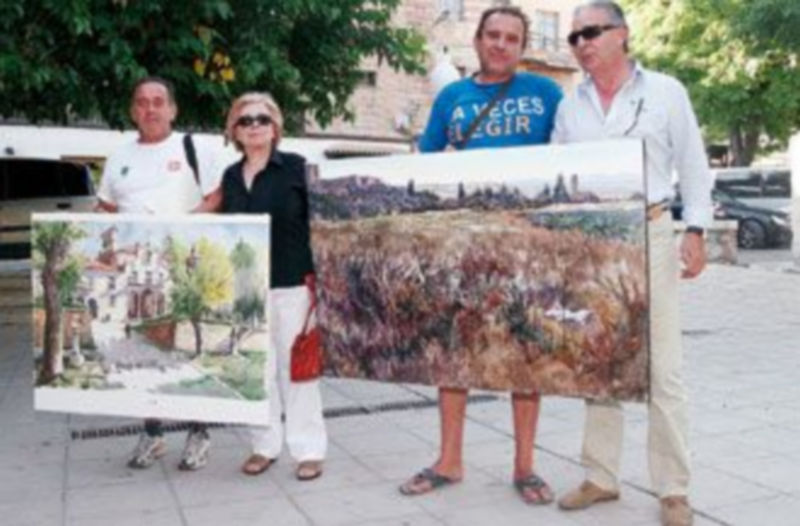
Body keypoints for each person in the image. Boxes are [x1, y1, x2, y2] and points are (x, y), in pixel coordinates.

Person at [551, 3, 712, 525]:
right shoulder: (569, 108)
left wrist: (697, 230)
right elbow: (559, 174)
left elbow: (692, 163)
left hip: (651, 231)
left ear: (622, 34)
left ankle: (673, 489)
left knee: (662, 366)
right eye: (574, 37)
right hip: (592, 243)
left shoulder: (666, 91)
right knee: (600, 362)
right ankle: (600, 476)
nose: (580, 43)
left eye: (590, 32)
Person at [399, 6, 563, 505]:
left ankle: (525, 466)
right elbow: (425, 164)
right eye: (493, 35)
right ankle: (449, 460)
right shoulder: (453, 97)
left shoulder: (547, 94)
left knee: (524, 350)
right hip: (462, 244)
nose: (501, 44)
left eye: (512, 38)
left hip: (524, 243)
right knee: (455, 350)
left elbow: (574, 152)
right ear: (476, 40)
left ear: (522, 45)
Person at [97, 76, 222, 471]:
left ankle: (198, 433)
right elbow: (106, 209)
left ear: (173, 109)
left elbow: (217, 197)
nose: (150, 109)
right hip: (137, 278)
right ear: (133, 111)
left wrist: (183, 228)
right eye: (142, 102)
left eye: (158, 101)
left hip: (182, 268)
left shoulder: (194, 148)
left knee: (183, 349)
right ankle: (152, 434)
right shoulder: (119, 157)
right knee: (146, 353)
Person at [220, 92, 327, 481]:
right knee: (256, 370)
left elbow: (326, 221)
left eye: (261, 119)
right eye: (245, 120)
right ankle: (264, 446)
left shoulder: (298, 168)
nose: (254, 126)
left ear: (275, 126)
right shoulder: (231, 176)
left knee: (297, 370)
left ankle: (308, 450)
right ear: (234, 130)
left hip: (294, 284)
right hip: (247, 288)